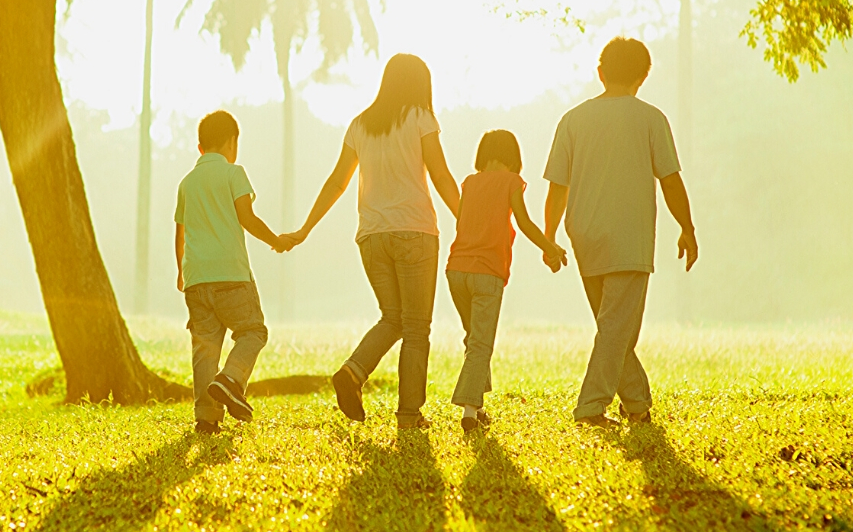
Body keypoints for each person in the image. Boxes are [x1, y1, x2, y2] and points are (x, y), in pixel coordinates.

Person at [285, 54, 460, 428]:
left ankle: (352, 371)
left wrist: (305, 229)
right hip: (414, 231)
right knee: (415, 327)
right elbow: (441, 174)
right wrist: (468, 218)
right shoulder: (421, 118)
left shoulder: (360, 124)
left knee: (393, 318)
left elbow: (337, 182)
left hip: (371, 237)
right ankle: (410, 415)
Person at [543, 37, 698, 428]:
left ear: (601, 73)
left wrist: (549, 237)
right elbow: (670, 180)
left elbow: (556, 186)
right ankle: (591, 408)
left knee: (612, 327)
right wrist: (687, 226)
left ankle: (637, 405)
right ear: (644, 77)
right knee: (617, 327)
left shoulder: (572, 120)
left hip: (584, 234)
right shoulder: (650, 118)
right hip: (629, 235)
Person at [446, 129, 568, 432]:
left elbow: (464, 221)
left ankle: (477, 406)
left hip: (456, 271)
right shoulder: (511, 182)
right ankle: (469, 412)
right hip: (487, 272)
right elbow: (524, 222)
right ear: (514, 157)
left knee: (474, 337)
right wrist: (550, 247)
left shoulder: (470, 183)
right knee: (481, 344)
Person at [174, 110, 287, 434]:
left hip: (196, 278)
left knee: (205, 346)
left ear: (199, 148)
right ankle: (230, 378)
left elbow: (180, 233)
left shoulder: (187, 183)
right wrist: (275, 240)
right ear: (232, 142)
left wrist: (181, 271)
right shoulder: (234, 173)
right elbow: (247, 218)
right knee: (253, 332)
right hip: (231, 277)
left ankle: (206, 418)